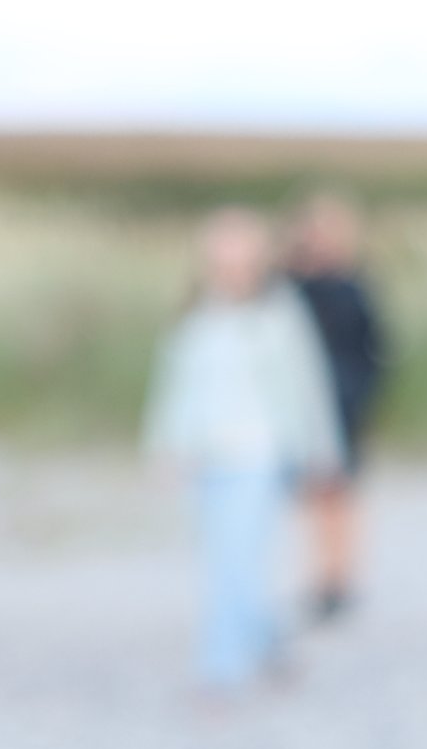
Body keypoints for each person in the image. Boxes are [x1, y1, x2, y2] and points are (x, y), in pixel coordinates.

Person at [141, 207, 341, 692]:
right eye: (219, 243)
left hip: (260, 455)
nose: (227, 253)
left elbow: (306, 383)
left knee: (237, 564)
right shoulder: (198, 310)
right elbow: (176, 386)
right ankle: (271, 646)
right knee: (227, 560)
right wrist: (163, 447)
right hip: (205, 456)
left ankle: (220, 669)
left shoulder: (278, 311)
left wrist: (323, 452)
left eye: (236, 243)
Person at [285, 191, 389, 623]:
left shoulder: (355, 285)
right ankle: (320, 576)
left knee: (339, 493)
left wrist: (360, 392)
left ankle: (339, 578)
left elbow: (376, 347)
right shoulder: (291, 284)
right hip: (300, 405)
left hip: (343, 403)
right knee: (312, 494)